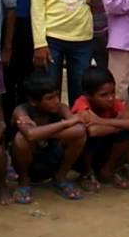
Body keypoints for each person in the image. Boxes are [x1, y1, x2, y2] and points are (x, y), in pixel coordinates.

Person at [10, 70, 87, 203]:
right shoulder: (21, 111)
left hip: (53, 157)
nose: (56, 101)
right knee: (20, 139)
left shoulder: (61, 108)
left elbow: (80, 129)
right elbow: (29, 135)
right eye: (50, 98)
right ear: (33, 101)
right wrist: (66, 124)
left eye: (57, 96)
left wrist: (41, 132)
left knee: (80, 136)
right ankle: (23, 182)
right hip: (30, 162)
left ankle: (60, 177)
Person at [72, 67, 129, 190]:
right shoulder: (82, 103)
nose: (110, 98)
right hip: (84, 153)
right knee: (85, 135)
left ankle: (108, 170)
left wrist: (103, 122)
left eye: (113, 93)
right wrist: (121, 123)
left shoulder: (114, 102)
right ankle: (87, 173)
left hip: (105, 149)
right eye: (104, 95)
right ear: (88, 95)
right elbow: (93, 131)